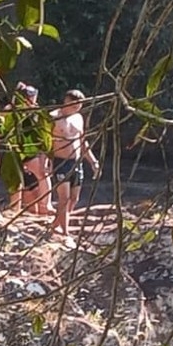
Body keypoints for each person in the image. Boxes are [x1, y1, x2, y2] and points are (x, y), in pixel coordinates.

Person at [50, 89, 99, 236]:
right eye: (74, 106)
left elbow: (83, 141)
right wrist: (45, 161)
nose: (77, 109)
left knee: (74, 198)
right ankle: (65, 233)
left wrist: (93, 161)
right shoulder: (53, 117)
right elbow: (45, 143)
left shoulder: (78, 118)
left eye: (79, 107)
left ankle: (56, 223)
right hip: (60, 162)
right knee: (63, 199)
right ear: (67, 102)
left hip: (76, 162)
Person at [6, 82, 53, 215]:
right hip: (20, 149)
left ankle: (45, 204)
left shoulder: (35, 112)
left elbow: (45, 132)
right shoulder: (14, 110)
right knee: (23, 178)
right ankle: (17, 207)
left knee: (41, 175)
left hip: (30, 149)